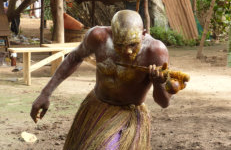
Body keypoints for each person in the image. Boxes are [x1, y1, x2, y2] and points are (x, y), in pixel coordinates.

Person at [30, 10, 185, 150]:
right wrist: (46, 93)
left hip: (128, 115)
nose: (127, 51)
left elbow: (164, 103)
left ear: (143, 34)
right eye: (120, 45)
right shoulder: (98, 37)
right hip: (95, 107)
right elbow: (74, 57)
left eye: (133, 44)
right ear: (111, 34)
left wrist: (158, 83)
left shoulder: (155, 50)